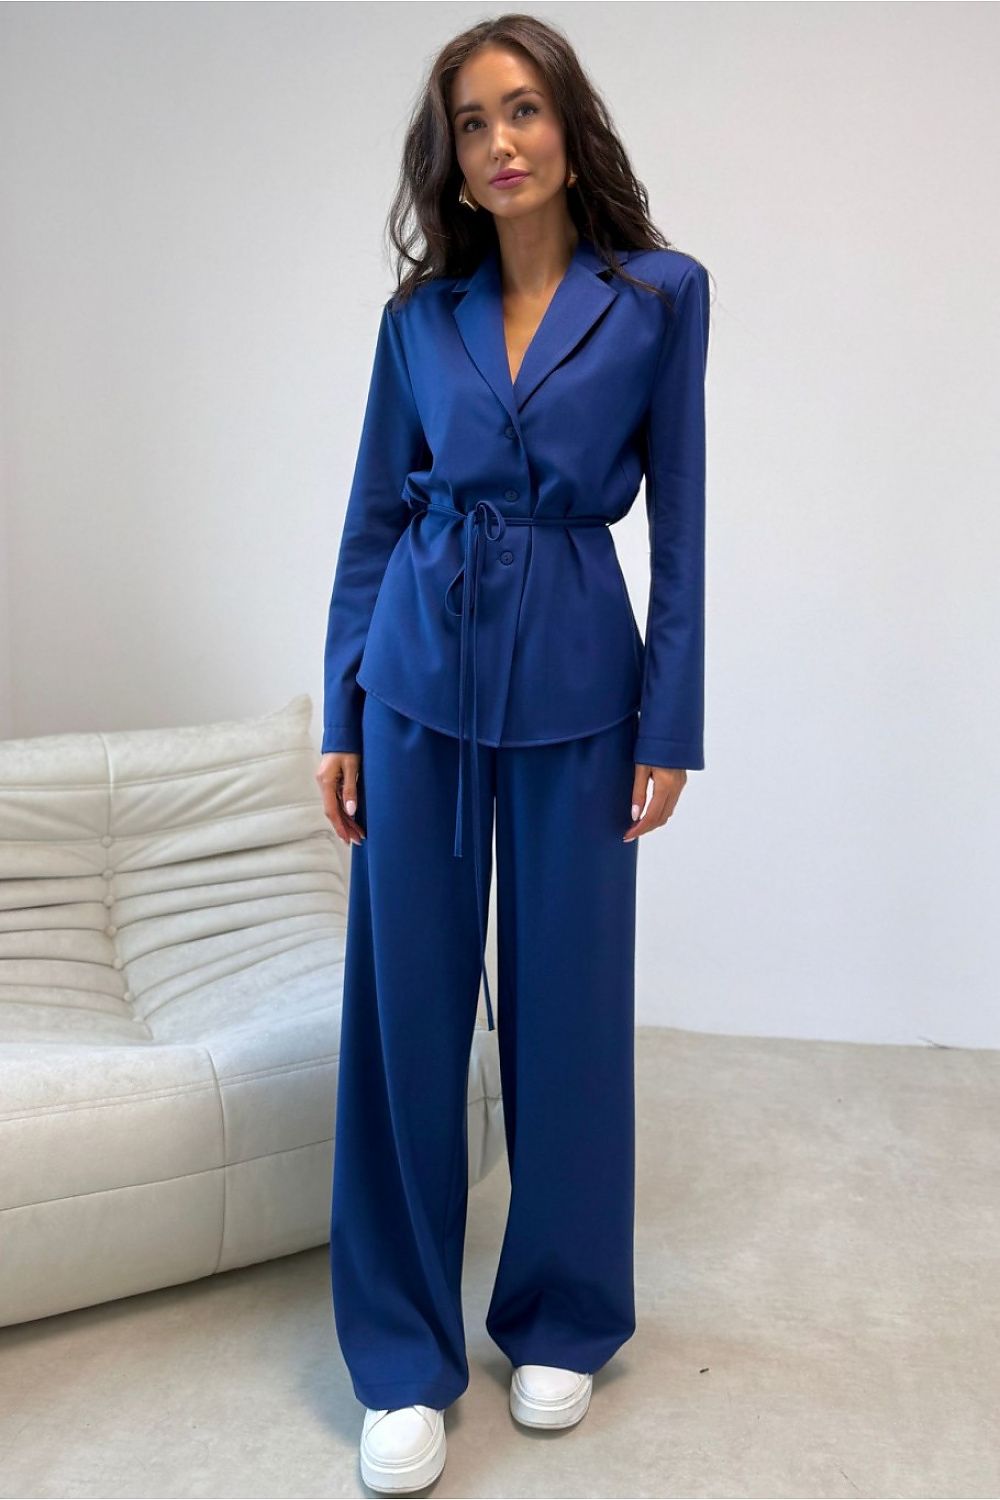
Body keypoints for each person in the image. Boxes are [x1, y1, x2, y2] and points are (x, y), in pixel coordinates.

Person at [315, 13, 710, 1493]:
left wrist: (669, 720)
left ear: (566, 124)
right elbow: (369, 522)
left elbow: (681, 523)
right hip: (415, 681)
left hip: (577, 688)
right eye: (472, 124)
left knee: (566, 1012)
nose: (499, 144)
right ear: (452, 155)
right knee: (407, 1016)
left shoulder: (660, 298)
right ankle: (401, 1355)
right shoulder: (417, 322)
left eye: (522, 111)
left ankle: (561, 1314)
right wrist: (342, 711)